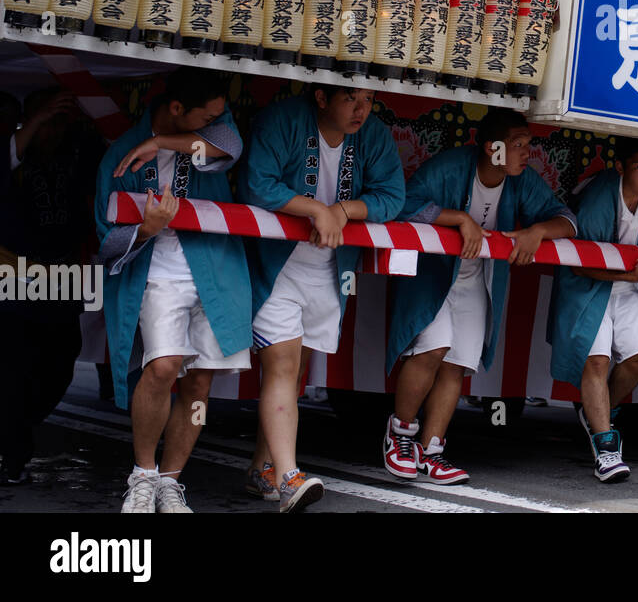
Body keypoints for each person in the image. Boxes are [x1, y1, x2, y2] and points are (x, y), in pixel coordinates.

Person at [385, 109, 577, 485]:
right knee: (431, 349)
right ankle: (400, 435)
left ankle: (432, 452)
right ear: (493, 148)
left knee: (457, 364)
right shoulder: (450, 167)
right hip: (434, 275)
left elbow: (568, 219)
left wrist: (537, 230)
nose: (527, 153)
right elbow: (401, 204)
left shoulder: (521, 180)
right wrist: (458, 218)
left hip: (479, 281)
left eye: (529, 144)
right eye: (518, 145)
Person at [240, 85, 404, 512]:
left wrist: (344, 210)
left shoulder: (374, 135)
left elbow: (393, 196)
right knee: (282, 364)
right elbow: (256, 184)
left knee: (293, 374)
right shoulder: (283, 120)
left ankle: (264, 466)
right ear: (321, 97)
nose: (361, 110)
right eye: (351, 98)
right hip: (278, 266)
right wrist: (315, 208)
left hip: (331, 271)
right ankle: (290, 476)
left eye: (368, 100)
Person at [94, 69, 249, 513]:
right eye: (209, 115)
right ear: (177, 108)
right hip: (156, 274)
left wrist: (161, 143)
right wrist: (145, 229)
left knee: (199, 382)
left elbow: (228, 149)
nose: (218, 122)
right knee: (163, 369)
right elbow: (106, 238)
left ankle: (171, 481)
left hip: (216, 270)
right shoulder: (120, 158)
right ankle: (143, 474)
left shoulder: (204, 138)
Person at [549, 137, 638, 482]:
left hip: (631, 286)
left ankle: (598, 411)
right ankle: (605, 447)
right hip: (588, 285)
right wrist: (627, 273)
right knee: (596, 359)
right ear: (620, 167)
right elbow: (579, 264)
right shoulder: (599, 198)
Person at [0, 88, 104, 485]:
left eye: (61, 123)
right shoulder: (16, 154)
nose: (53, 130)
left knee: (62, 358)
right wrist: (38, 120)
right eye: (47, 121)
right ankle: (12, 452)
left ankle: (15, 431)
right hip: (12, 271)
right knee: (14, 365)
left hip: (61, 273)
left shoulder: (74, 153)